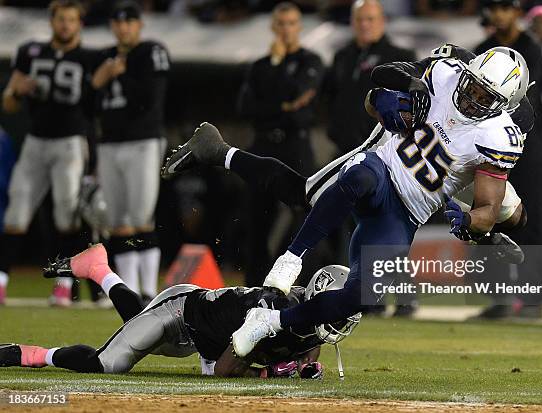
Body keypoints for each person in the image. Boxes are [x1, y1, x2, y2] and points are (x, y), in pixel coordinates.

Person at [165, 45, 531, 356]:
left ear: (505, 106)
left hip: (440, 184)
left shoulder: (501, 136)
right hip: (390, 162)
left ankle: (272, 322)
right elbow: (382, 85)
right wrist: (384, 99)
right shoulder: (447, 71)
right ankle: (288, 257)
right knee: (327, 188)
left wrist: (477, 225)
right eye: (473, 87)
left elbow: (490, 202)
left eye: (485, 97)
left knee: (368, 291)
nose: (472, 98)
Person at [0, 244, 359, 378]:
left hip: (203, 335)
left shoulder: (310, 315)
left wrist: (306, 363)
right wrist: (267, 375)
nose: (339, 318)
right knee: (109, 363)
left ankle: (99, 269)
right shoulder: (273, 311)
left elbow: (310, 337)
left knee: (135, 329)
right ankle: (24, 354)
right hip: (180, 313)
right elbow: (222, 370)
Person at [473, 0, 542, 320]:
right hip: (487, 149)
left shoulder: (533, 48)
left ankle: (533, 300)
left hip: (526, 148)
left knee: (534, 221)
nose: (499, 13)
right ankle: (498, 300)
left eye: (505, 7)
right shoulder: (482, 49)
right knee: (487, 218)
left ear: (516, 11)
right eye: (495, 7)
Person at [0, 0, 96, 306]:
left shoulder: (89, 58)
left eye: (71, 19)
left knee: (66, 215)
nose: (65, 25)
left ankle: (64, 284)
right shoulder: (30, 52)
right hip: (36, 141)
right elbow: (8, 103)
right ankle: (1, 281)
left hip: (70, 141)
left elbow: (97, 107)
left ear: (79, 23)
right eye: (60, 19)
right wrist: (17, 91)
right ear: (52, 21)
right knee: (16, 214)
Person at [236, 2, 324, 287]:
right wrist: (285, 105)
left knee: (305, 216)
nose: (286, 29)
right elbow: (245, 108)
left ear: (299, 27)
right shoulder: (261, 66)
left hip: (295, 148)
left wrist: (277, 101)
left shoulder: (311, 61)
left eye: (291, 23)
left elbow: (302, 112)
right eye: (281, 24)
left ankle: (300, 284)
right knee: (256, 217)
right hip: (263, 145)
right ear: (273, 27)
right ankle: (253, 287)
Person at [91, 0, 169, 302]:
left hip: (142, 141)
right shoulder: (105, 56)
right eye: (118, 21)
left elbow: (150, 99)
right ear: (112, 25)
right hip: (110, 142)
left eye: (129, 21)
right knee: (118, 220)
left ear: (139, 24)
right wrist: (96, 83)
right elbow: (89, 105)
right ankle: (130, 293)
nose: (123, 27)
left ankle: (149, 290)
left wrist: (119, 75)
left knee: (141, 216)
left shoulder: (151, 51)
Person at [327, 0, 415, 154]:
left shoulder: (401, 57)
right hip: (343, 149)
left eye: (370, 19)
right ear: (352, 21)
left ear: (382, 21)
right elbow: (331, 96)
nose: (364, 24)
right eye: (359, 19)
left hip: (383, 152)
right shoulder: (342, 56)